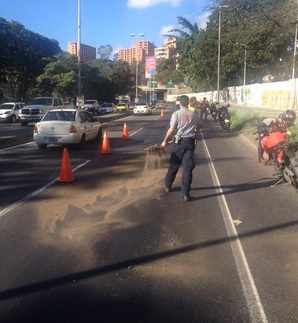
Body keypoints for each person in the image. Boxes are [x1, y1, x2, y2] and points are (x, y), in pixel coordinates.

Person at [161, 95, 203, 202]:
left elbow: (171, 130)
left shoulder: (176, 114)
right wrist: (194, 130)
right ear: (188, 103)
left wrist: (165, 141)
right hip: (190, 144)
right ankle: (186, 194)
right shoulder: (194, 114)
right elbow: (201, 125)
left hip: (178, 144)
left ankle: (168, 186)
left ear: (180, 103)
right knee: (187, 169)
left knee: (174, 166)